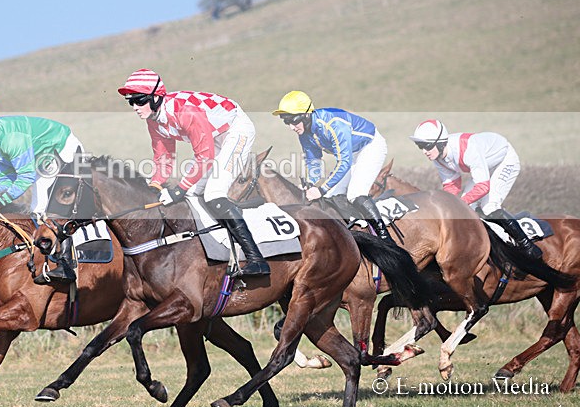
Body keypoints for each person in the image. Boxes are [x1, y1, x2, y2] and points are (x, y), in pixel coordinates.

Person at [117, 68, 270, 277]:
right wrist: (154, 185)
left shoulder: (184, 111)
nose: (135, 107)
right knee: (189, 194)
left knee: (213, 193)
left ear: (155, 97)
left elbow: (204, 156)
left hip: (235, 130)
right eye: (130, 101)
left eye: (139, 100)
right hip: (213, 135)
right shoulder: (153, 119)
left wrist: (179, 188)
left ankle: (256, 259)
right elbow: (163, 157)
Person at [0, 96, 85, 283]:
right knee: (35, 208)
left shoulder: (10, 139)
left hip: (60, 148)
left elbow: (26, 176)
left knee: (43, 208)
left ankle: (65, 264)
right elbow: (7, 177)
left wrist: (0, 201)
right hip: (39, 157)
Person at [272, 91, 395, 244]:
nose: (291, 126)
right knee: (331, 197)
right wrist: (310, 184)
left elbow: (344, 162)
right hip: (352, 153)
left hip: (370, 147)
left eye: (293, 120)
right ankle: (356, 231)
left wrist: (321, 189)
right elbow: (313, 160)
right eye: (286, 121)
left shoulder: (332, 124)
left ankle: (386, 238)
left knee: (355, 194)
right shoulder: (304, 133)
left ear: (305, 115)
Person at [410, 119, 542, 259]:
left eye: (428, 146)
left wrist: (459, 204)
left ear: (440, 142)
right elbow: (452, 186)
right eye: (420, 146)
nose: (424, 151)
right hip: (484, 166)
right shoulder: (438, 158)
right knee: (469, 210)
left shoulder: (467, 149)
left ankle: (526, 245)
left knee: (489, 207)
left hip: (504, 162)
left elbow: (483, 186)